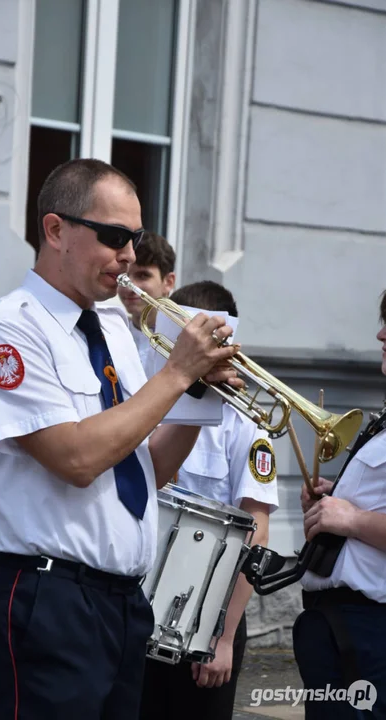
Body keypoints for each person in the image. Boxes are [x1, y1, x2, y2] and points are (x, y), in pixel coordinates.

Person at [0, 158, 242, 720]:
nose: (130, 255)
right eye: (114, 236)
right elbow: (77, 458)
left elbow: (144, 472)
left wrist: (197, 400)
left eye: (134, 238)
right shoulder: (10, 330)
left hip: (122, 600)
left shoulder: (114, 326)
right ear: (56, 230)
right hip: (48, 598)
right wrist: (177, 375)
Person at [133, 280, 278, 720]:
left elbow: (257, 528)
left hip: (206, 615)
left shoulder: (244, 421)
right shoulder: (143, 395)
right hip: (135, 603)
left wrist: (223, 635)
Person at [294, 289, 386, 719]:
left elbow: (362, 520)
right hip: (338, 625)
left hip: (371, 631)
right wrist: (335, 500)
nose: (381, 335)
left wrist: (351, 518)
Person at [117, 231, 175, 374]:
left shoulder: (184, 338)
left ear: (168, 282)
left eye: (143, 276)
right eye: (123, 276)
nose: (129, 286)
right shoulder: (111, 334)